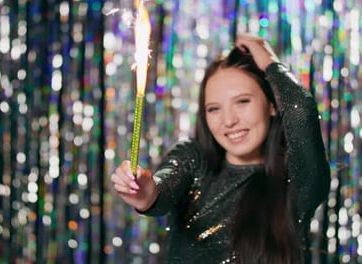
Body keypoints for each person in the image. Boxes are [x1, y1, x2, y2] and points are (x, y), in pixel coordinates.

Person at [111, 34, 331, 263]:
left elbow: (301, 111)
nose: (228, 121)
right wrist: (146, 192)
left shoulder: (298, 183)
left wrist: (269, 62)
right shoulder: (195, 160)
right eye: (214, 109)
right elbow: (160, 190)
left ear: (273, 105)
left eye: (243, 101)